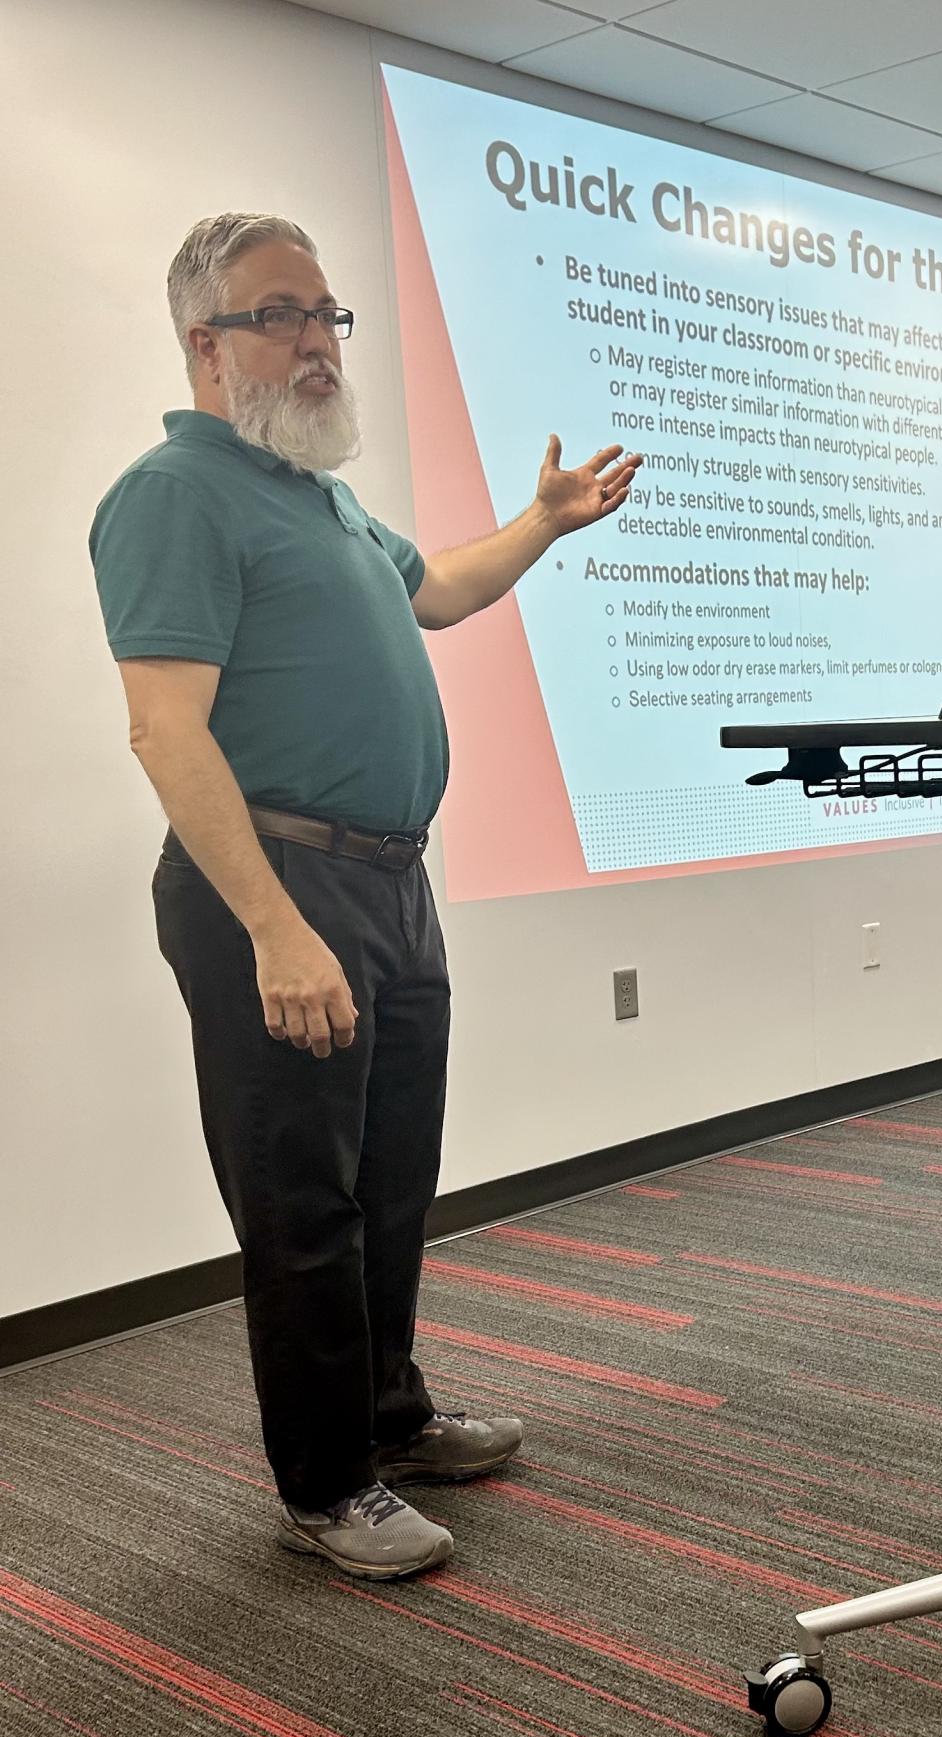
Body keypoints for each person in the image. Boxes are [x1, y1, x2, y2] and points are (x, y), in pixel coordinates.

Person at [89, 213, 640, 1582]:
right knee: (303, 1199)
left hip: (388, 881)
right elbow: (166, 730)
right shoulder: (176, 493)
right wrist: (275, 925)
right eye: (283, 313)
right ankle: (326, 1482)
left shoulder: (320, 494)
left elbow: (437, 590)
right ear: (206, 345)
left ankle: (386, 1417)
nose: (318, 340)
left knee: (391, 1179)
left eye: (329, 315)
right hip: (273, 889)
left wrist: (542, 525)